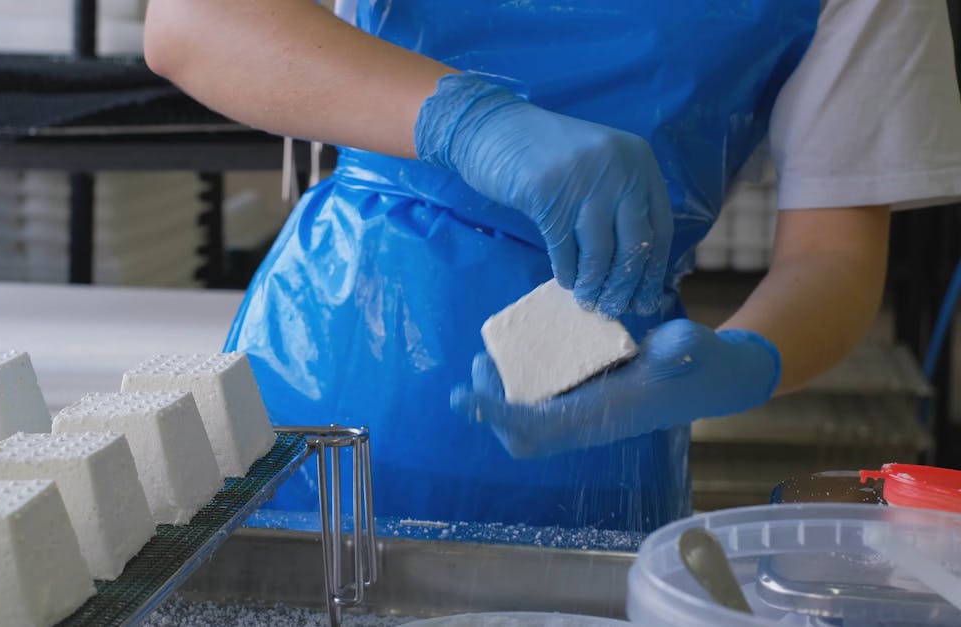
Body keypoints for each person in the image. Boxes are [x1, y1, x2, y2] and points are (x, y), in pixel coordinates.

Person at [144, 0, 961, 531]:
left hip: (602, 405)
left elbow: (834, 258)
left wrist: (745, 360)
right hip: (334, 355)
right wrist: (464, 120)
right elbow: (192, 22)